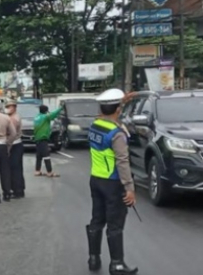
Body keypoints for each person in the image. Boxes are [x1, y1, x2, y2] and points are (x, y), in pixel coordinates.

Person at [86, 88, 138, 275]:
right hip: (113, 183)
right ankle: (116, 264)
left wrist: (121, 100)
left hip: (96, 179)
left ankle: (93, 258)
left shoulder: (95, 125)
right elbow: (123, 162)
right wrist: (129, 189)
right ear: (117, 110)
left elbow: (106, 112)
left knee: (97, 219)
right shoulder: (116, 133)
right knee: (115, 224)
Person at [33, 104, 63, 177]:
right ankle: (49, 172)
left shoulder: (36, 117)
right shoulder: (45, 117)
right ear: (46, 111)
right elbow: (53, 114)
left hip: (37, 138)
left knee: (39, 156)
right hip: (43, 138)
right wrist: (61, 108)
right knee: (46, 155)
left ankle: (37, 171)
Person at [5, 99, 25, 198]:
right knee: (17, 168)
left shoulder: (13, 119)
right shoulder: (12, 117)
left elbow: (11, 134)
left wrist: (8, 146)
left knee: (14, 169)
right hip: (17, 144)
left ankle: (17, 190)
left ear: (14, 107)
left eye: (10, 107)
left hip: (14, 145)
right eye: (7, 107)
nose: (8, 109)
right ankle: (19, 189)